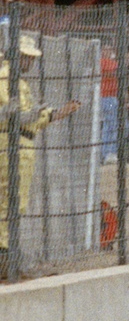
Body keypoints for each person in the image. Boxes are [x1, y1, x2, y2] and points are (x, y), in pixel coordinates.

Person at [0, 39, 82, 262]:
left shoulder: (16, 80)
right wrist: (35, 114)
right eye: (26, 57)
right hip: (14, 144)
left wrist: (58, 112)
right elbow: (15, 115)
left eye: (31, 57)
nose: (30, 61)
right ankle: (6, 251)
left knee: (10, 198)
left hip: (16, 142)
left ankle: (7, 249)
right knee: (13, 199)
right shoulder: (8, 78)